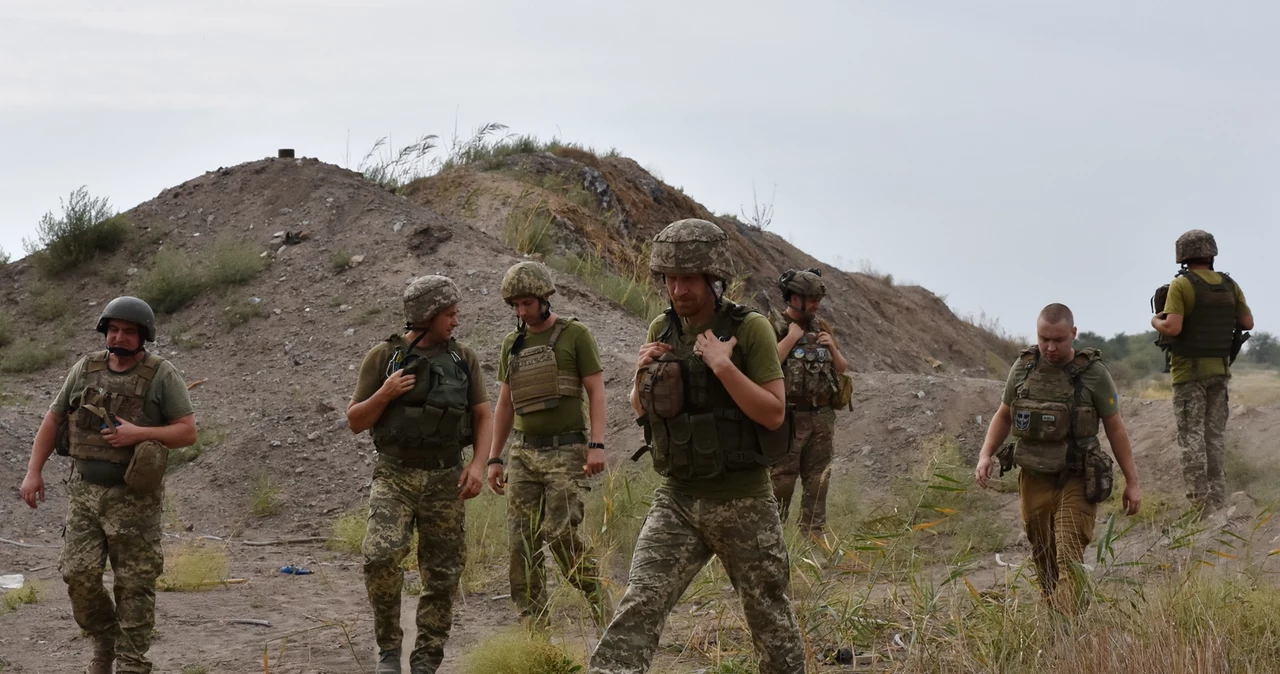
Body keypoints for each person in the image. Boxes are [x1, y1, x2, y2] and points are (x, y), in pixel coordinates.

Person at [588, 219, 806, 674]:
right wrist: (640, 373)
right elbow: (642, 410)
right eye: (670, 278)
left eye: (688, 278)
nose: (678, 288)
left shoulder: (751, 330)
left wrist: (723, 366)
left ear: (713, 279)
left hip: (742, 497)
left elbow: (773, 412)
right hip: (678, 498)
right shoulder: (661, 327)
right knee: (641, 600)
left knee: (770, 617)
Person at [20, 296, 197, 674]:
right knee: (78, 575)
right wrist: (34, 471)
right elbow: (53, 420)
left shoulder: (161, 374)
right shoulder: (84, 369)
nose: (119, 336)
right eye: (114, 329)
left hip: (134, 498)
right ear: (105, 331)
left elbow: (187, 432)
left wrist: (139, 433)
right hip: (84, 494)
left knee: (135, 585)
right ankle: (104, 638)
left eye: (128, 331)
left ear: (143, 336)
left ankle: (132, 663)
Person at [347, 275, 493, 674]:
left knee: (443, 573)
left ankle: (427, 660)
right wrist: (387, 393)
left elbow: (483, 414)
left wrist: (478, 464)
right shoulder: (384, 357)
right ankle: (389, 650)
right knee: (380, 557)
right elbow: (355, 420)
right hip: (394, 476)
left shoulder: (464, 358)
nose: (455, 322)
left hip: (447, 479)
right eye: (449, 314)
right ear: (425, 316)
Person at [974, 303, 1142, 614]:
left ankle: (1067, 626)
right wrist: (986, 455)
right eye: (1044, 339)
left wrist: (1132, 482)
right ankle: (1055, 618)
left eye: (1059, 340)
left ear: (1073, 334)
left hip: (1077, 476)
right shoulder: (1022, 369)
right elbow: (1004, 415)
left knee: (1068, 553)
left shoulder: (1093, 373)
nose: (1050, 347)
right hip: (1034, 477)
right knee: (1043, 555)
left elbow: (1115, 427)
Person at [486, 261, 609, 628]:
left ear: (544, 298)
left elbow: (597, 391)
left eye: (527, 303)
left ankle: (602, 607)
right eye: (516, 306)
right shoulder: (513, 344)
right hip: (523, 453)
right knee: (521, 544)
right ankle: (534, 628)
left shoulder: (576, 335)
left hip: (567, 451)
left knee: (560, 536)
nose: (522, 312)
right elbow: (505, 404)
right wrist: (495, 457)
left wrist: (597, 444)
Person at [1151, 230, 1254, 510]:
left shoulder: (1182, 285)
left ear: (1182, 256)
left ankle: (1200, 506)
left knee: (1191, 438)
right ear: (1211, 254)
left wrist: (1154, 322)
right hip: (1220, 371)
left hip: (1188, 375)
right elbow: (1247, 322)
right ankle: (1218, 500)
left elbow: (1173, 327)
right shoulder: (1230, 284)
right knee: (1214, 437)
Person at [769, 268, 848, 534]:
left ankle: (813, 538)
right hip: (788, 416)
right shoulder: (773, 327)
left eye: (818, 299)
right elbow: (766, 365)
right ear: (793, 298)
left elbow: (842, 368)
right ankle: (776, 538)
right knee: (782, 479)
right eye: (811, 299)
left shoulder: (821, 327)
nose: (816, 305)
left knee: (819, 479)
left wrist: (832, 348)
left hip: (822, 416)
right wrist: (790, 339)